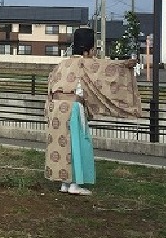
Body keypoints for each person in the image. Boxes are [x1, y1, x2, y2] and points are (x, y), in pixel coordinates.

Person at [44, 26, 141, 196]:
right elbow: (110, 68)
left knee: (61, 145)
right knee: (77, 143)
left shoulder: (62, 64)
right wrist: (127, 64)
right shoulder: (86, 63)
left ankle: (64, 183)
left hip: (55, 108)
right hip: (73, 107)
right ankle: (74, 183)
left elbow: (51, 84)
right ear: (89, 49)